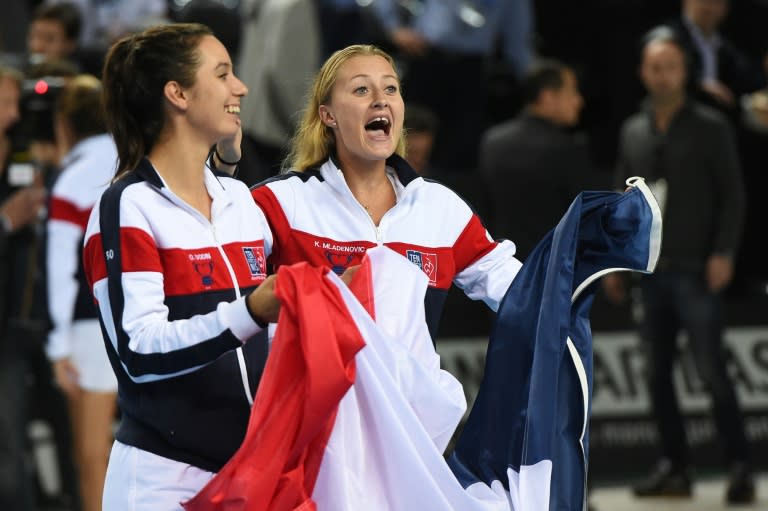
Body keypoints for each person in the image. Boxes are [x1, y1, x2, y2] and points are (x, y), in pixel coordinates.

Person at [83, 23, 284, 510]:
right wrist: (252, 311)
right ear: (178, 94)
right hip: (165, 480)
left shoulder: (238, 199)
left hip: (251, 473)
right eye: (223, 74)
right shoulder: (126, 206)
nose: (240, 87)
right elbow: (139, 350)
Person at [246, 44, 523, 340]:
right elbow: (228, 303)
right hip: (317, 387)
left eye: (391, 88)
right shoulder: (280, 202)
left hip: (415, 388)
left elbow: (524, 291)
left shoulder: (440, 207)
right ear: (328, 116)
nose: (381, 101)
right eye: (361, 90)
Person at [602, 29, 753, 504]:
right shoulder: (633, 129)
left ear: (685, 71)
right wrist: (615, 263)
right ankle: (675, 466)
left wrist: (725, 252)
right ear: (642, 72)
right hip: (649, 272)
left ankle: (739, 465)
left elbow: (733, 195)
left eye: (669, 65)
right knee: (655, 375)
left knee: (712, 371)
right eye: (653, 66)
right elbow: (623, 202)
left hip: (695, 267)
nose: (661, 74)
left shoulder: (710, 126)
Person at [45, 74, 118, 511]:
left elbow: (59, 269)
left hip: (90, 329)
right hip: (147, 318)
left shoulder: (72, 176)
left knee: (92, 456)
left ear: (64, 124)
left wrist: (58, 347)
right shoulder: (137, 160)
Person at [366, 0, 536, 171]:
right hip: (426, 58)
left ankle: (445, 192)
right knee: (411, 135)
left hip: (471, 69)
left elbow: (518, 37)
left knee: (461, 146)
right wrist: (393, 28)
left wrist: (533, 87)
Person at [478, 58, 600, 260]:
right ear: (548, 97)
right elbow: (587, 220)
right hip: (553, 272)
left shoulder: (492, 142)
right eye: (572, 92)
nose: (579, 101)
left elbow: (483, 211)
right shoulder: (567, 150)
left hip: (501, 270)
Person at [0, 64, 48, 511]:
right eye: (6, 101)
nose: (14, 113)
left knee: (13, 445)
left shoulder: (20, 151)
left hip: (17, 320)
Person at [664, 0, 765, 118]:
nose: (709, 7)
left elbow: (748, 78)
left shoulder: (724, 45)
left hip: (714, 121)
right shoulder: (667, 38)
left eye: (716, 2)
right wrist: (698, 85)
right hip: (675, 117)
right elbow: (661, 76)